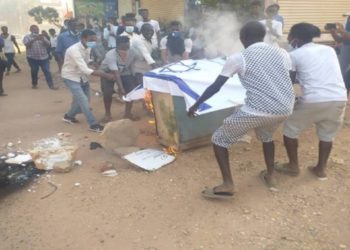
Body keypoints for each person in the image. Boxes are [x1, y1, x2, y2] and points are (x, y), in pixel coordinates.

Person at [187, 21, 295, 199]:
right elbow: (289, 79)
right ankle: (270, 175)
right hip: (284, 108)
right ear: (263, 36)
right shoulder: (282, 53)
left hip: (257, 111)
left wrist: (196, 104)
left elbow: (216, 87)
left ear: (242, 38)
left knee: (219, 140)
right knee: (267, 138)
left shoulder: (239, 57)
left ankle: (228, 184)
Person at [275, 23, 347, 180]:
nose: (287, 39)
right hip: (339, 98)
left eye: (289, 36)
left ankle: (293, 166)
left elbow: (290, 82)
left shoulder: (294, 55)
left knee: (290, 129)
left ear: (295, 38)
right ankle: (320, 169)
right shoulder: (329, 50)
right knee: (327, 135)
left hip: (313, 99)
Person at [61, 29, 115, 133]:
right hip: (71, 77)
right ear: (83, 39)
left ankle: (69, 116)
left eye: (95, 40)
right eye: (91, 40)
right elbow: (85, 69)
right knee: (83, 100)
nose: (93, 42)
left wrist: (93, 62)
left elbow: (86, 61)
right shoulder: (74, 50)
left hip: (82, 77)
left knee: (83, 99)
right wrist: (105, 74)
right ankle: (93, 124)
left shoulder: (88, 47)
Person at [99, 36, 139, 122]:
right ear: (117, 47)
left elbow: (132, 66)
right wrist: (121, 89)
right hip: (107, 72)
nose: (124, 51)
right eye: (122, 48)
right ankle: (107, 114)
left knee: (131, 90)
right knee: (107, 92)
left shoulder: (133, 52)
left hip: (123, 71)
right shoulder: (110, 55)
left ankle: (127, 113)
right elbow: (115, 73)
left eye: (126, 48)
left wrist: (133, 78)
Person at [23, 25, 55, 89]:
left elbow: (48, 45)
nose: (36, 30)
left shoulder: (42, 36)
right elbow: (27, 45)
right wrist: (34, 40)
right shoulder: (27, 37)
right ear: (30, 30)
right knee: (34, 71)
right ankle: (34, 84)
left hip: (44, 57)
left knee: (47, 71)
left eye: (37, 29)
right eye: (34, 29)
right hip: (32, 58)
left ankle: (51, 85)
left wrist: (43, 40)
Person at [329, 13, 350, 78]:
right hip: (346, 47)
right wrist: (333, 32)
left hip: (346, 47)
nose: (348, 18)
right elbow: (339, 39)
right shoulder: (346, 23)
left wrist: (342, 31)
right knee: (341, 69)